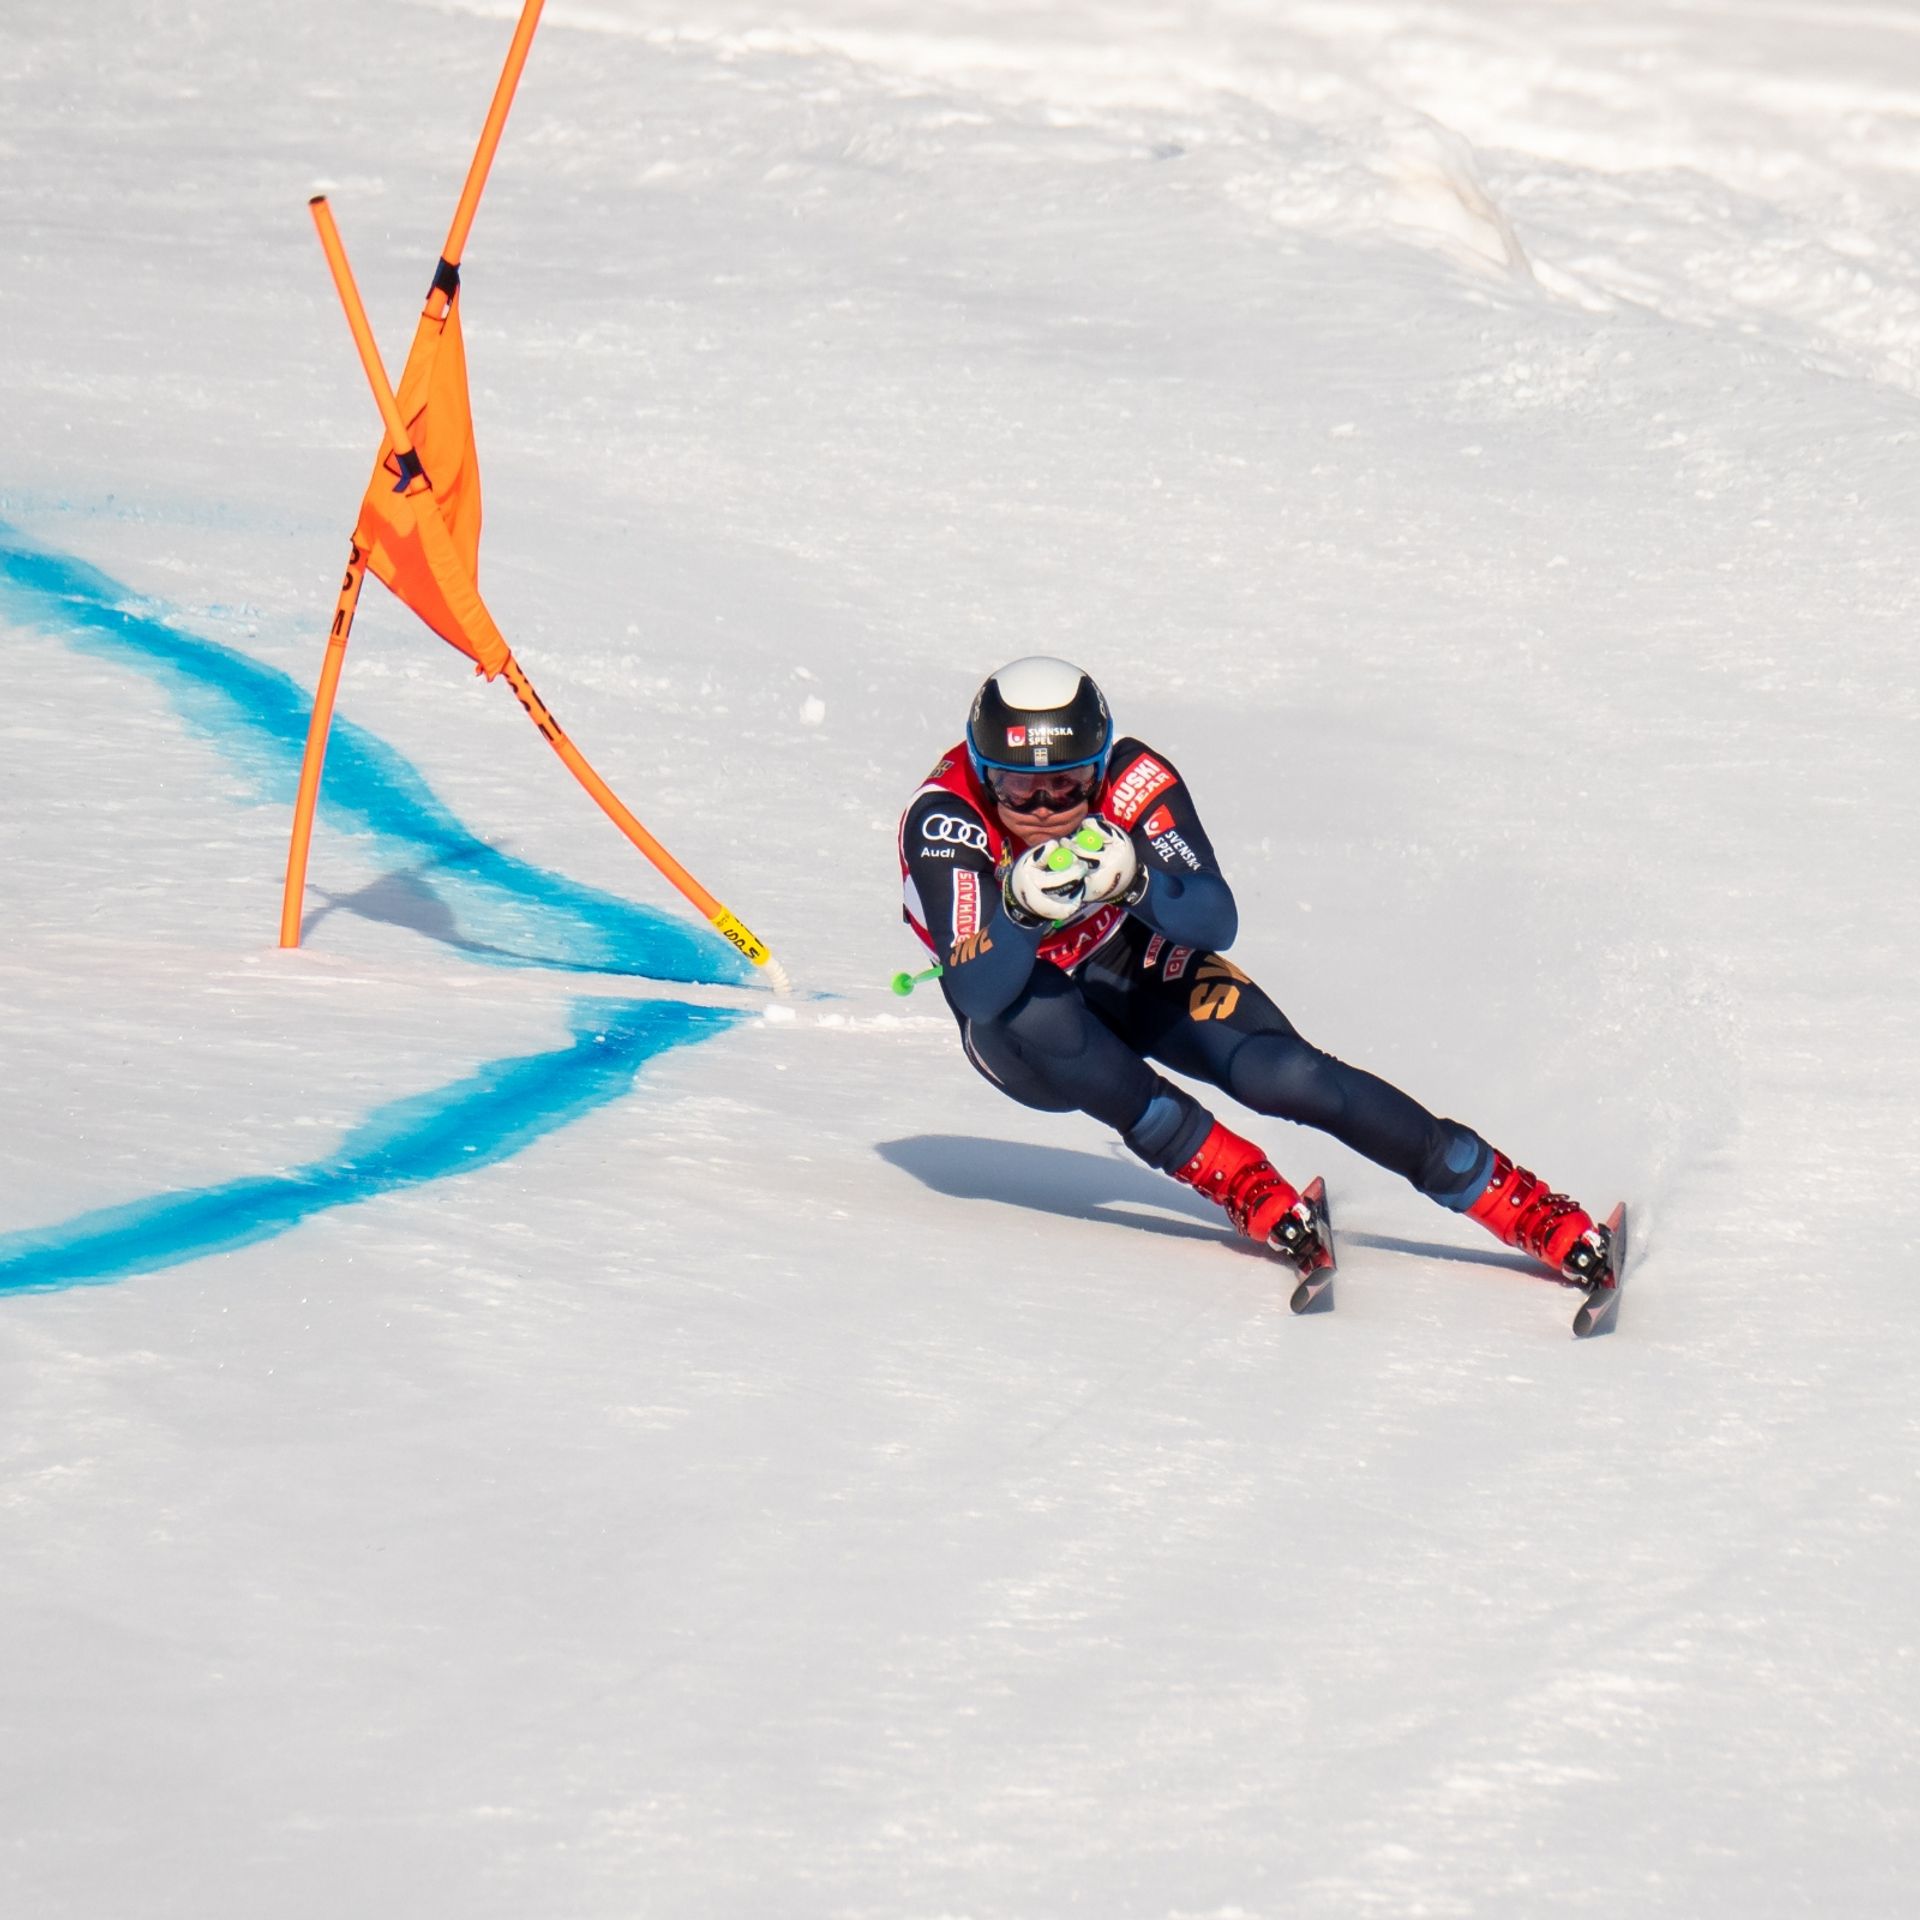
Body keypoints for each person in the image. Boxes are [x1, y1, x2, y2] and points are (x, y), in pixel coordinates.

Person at [896, 656, 1613, 1288]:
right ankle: (1235, 1174)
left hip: (1122, 957)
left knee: (1283, 1074)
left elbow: (1213, 919)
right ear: (984, 774)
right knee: (1038, 1010)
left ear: (1103, 762)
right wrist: (1016, 914)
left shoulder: (1135, 778)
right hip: (1020, 1020)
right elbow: (978, 992)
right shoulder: (944, 819)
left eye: (1071, 783)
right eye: (1022, 792)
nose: (1048, 810)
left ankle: (1506, 1196)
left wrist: (1139, 882)